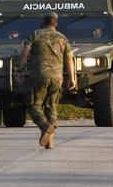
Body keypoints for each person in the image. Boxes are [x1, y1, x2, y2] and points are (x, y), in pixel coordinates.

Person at [16, 12, 76, 149]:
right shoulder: (63, 38)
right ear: (56, 23)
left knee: (34, 106)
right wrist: (72, 78)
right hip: (57, 78)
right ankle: (50, 141)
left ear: (43, 22)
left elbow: (25, 52)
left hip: (39, 76)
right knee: (51, 106)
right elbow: (69, 59)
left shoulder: (35, 34)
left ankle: (45, 126)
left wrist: (20, 70)